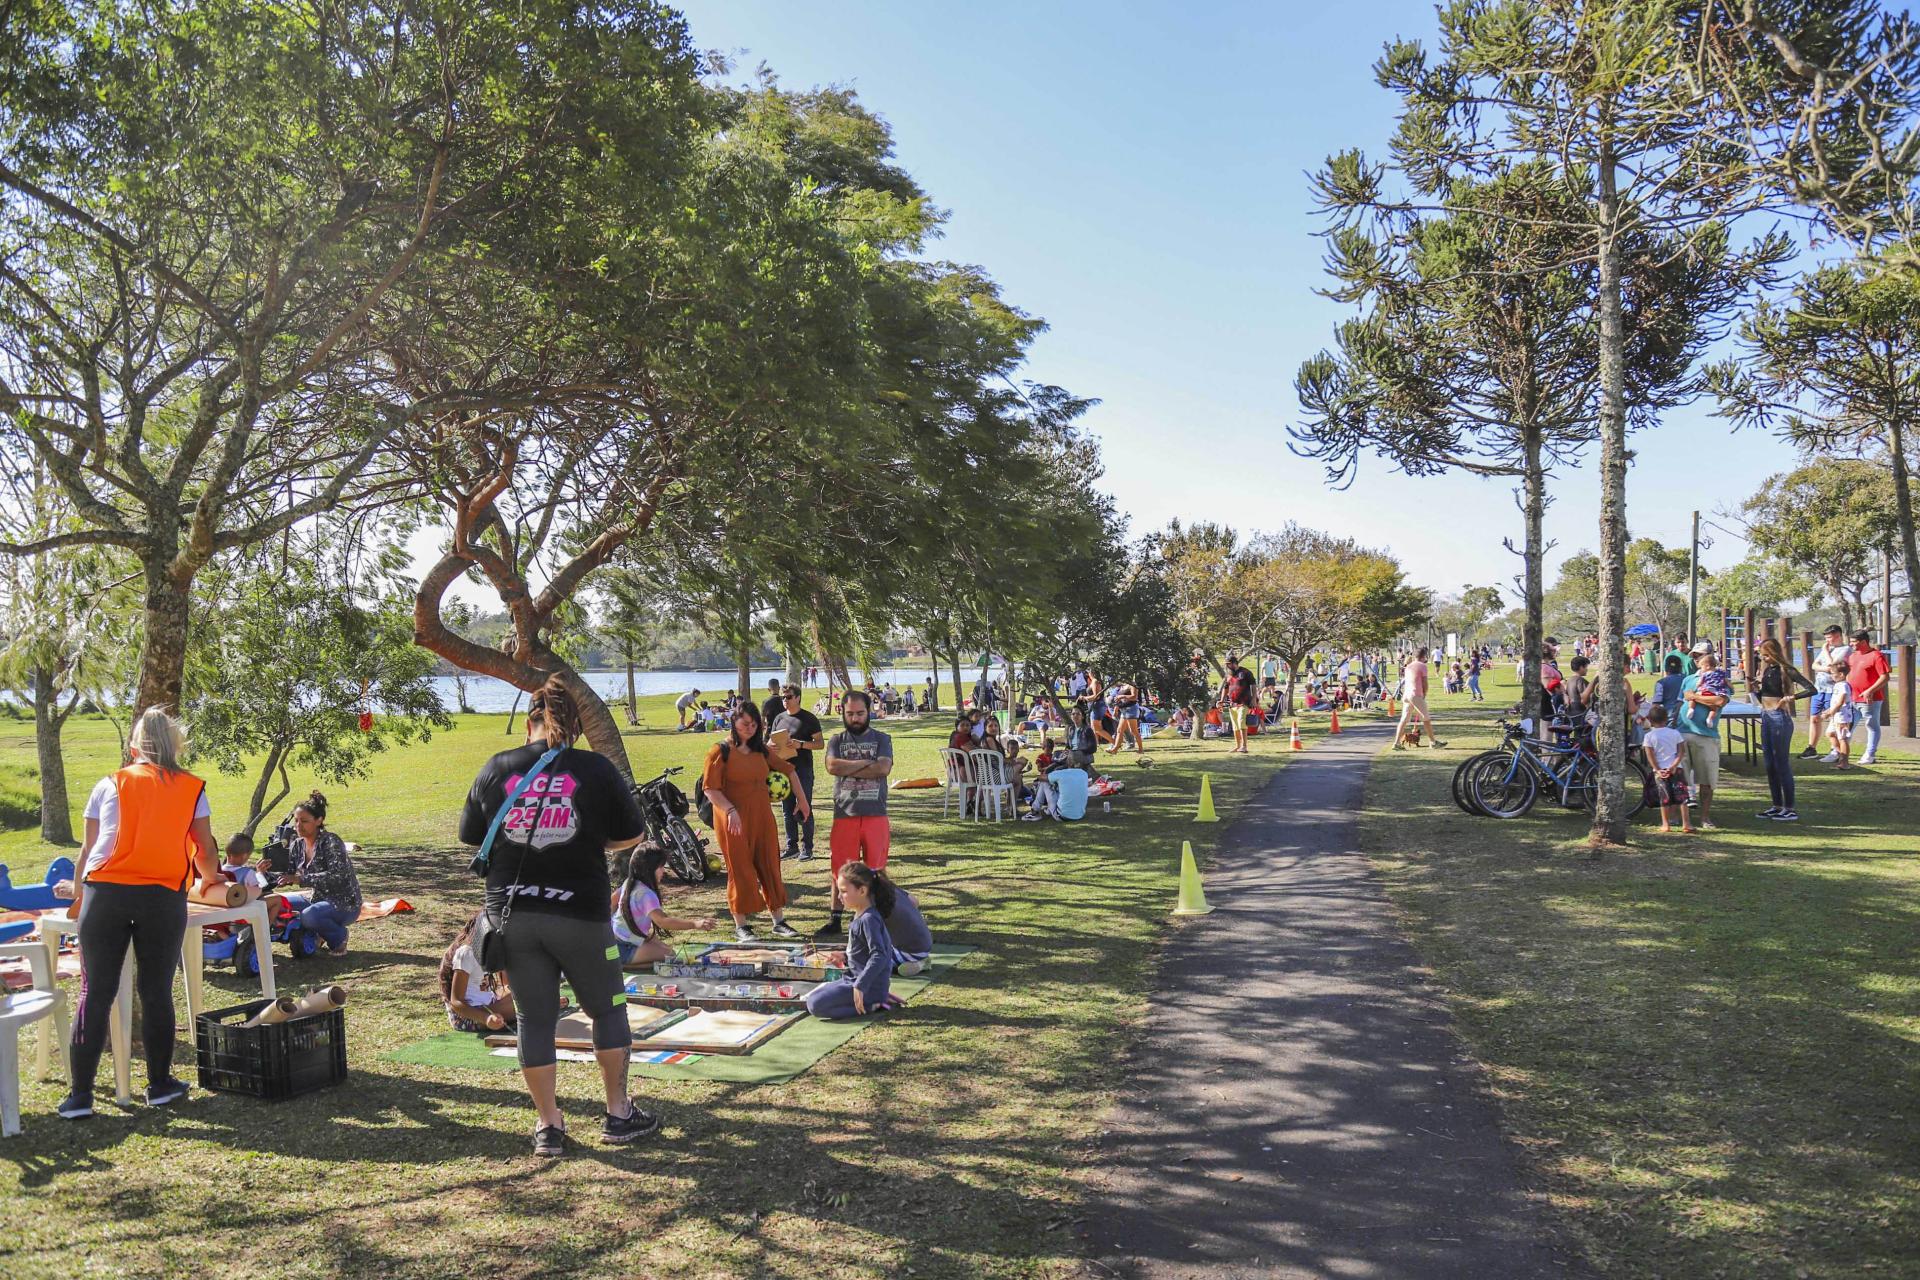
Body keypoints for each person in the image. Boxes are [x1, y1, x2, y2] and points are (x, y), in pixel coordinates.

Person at [460, 674, 658, 1155]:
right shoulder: (595, 768)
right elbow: (631, 833)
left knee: (534, 1018)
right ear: (574, 725)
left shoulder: (497, 766)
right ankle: (617, 1112)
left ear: (529, 720)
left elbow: (471, 836)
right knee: (608, 1009)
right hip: (580, 912)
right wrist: (591, 841)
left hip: (513, 915)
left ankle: (549, 1125)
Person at [58, 708, 221, 1120]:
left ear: (134, 748)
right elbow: (203, 848)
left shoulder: (109, 783)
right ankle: (160, 1085)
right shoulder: (192, 788)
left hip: (104, 893)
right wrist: (211, 880)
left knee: (95, 993)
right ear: (175, 746)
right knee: (156, 991)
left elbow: (89, 848)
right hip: (162, 896)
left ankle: (80, 1096)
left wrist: (79, 893)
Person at [703, 702, 808, 942]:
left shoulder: (762, 750)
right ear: (734, 722)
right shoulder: (720, 751)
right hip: (733, 820)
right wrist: (730, 810)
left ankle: (778, 921)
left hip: (762, 817)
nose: (749, 729)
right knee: (739, 867)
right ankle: (741, 925)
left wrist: (802, 800)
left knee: (770, 864)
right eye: (744, 724)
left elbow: (789, 771)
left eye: (754, 724)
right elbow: (711, 789)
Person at [822, 690, 893, 937]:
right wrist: (866, 763)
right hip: (845, 814)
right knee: (840, 870)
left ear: (869, 711)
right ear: (842, 712)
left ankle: (878, 918)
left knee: (877, 869)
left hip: (875, 813)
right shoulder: (836, 741)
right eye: (850, 713)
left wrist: (848, 768)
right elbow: (832, 766)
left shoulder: (882, 738)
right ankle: (835, 919)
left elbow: (883, 768)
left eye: (860, 713)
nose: (855, 718)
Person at [804, 863, 903, 1020]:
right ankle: (878, 997)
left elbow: (880, 955)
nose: (838, 897)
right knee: (813, 996)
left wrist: (861, 985)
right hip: (853, 980)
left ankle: (872, 1004)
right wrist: (845, 956)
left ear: (862, 891)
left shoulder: (869, 919)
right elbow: (863, 950)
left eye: (843, 892)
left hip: (864, 985)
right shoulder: (860, 915)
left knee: (814, 1005)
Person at [276, 791, 362, 956]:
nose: (298, 826)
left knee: (309, 915)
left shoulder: (331, 842)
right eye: (296, 821)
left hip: (345, 903)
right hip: (316, 900)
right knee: (279, 902)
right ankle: (310, 936)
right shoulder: (297, 845)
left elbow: (338, 876)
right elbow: (289, 873)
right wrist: (264, 873)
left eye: (304, 821)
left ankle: (339, 937)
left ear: (319, 820)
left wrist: (300, 879)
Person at [611, 844, 717, 967]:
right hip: (624, 948)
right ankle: (623, 964)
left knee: (664, 947)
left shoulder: (629, 883)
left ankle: (622, 959)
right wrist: (695, 924)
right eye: (661, 867)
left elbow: (611, 903)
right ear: (649, 869)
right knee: (670, 955)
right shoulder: (646, 894)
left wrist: (612, 927)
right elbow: (663, 921)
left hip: (614, 942)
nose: (664, 871)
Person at [1745, 636, 1815, 822]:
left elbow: (1811, 689)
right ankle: (1776, 805)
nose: (1763, 659)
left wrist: (1791, 698)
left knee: (1781, 763)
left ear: (1774, 654)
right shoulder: (1768, 670)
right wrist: (1756, 689)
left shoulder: (1787, 670)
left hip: (1779, 718)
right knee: (1769, 764)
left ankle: (1789, 807)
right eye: (1761, 656)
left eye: (1766, 655)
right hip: (1766, 716)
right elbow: (1765, 696)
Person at [441, 909, 519, 1035]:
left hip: (490, 1006)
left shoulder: (496, 950)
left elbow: (507, 986)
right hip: (468, 1017)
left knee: (527, 993)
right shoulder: (467, 953)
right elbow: (456, 1002)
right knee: (524, 1001)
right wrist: (486, 1018)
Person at [1675, 651, 1729, 829]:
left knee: (1707, 780)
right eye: (1696, 656)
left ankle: (1704, 818)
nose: (1698, 659)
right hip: (1682, 733)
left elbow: (1720, 700)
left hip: (1707, 736)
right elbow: (1682, 701)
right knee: (1680, 777)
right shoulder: (1688, 679)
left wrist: (1696, 697)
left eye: (1702, 656)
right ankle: (1680, 817)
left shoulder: (1720, 677)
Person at [772, 684, 825, 862]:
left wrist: (800, 744)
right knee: (787, 810)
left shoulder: (809, 719)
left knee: (804, 807)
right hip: (783, 769)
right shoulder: (778, 718)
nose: (785, 700)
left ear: (798, 698)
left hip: (802, 770)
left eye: (788, 697)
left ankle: (807, 848)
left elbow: (819, 744)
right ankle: (791, 846)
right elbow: (769, 741)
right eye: (783, 697)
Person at [1642, 705, 1692, 834]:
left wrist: (1657, 769)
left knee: (1664, 798)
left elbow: (1650, 755)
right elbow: (1681, 751)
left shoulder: (1649, 736)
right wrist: (1674, 765)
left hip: (1660, 771)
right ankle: (1686, 823)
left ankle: (1665, 823)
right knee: (1682, 797)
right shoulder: (1675, 733)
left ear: (1650, 720)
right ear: (1666, 719)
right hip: (1676, 769)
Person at [1847, 630, 1890, 765]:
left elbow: (1885, 677)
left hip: (1870, 700)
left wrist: (1870, 690)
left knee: (1871, 726)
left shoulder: (1876, 656)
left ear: (1864, 642)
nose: (1851, 644)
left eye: (1854, 642)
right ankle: (1840, 751)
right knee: (1847, 725)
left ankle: (1870, 754)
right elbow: (1849, 674)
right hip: (1852, 699)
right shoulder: (1853, 656)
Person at [1805, 625, 1847, 760]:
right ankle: (1811, 747)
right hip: (1819, 688)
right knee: (1814, 718)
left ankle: (1835, 749)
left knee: (1833, 718)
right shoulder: (1827, 649)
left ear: (1838, 636)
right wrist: (1825, 668)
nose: (1827, 641)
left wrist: (1826, 653)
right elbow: (1814, 665)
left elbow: (1833, 666)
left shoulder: (1845, 650)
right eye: (1826, 638)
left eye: (1830, 637)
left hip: (1832, 689)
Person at [1391, 647, 1445, 749]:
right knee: (1426, 719)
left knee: (1404, 719)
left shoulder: (1408, 666)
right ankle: (1433, 742)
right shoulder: (1422, 666)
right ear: (1424, 656)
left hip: (1407, 694)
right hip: (1416, 694)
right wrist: (1425, 693)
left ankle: (1396, 743)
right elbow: (1425, 682)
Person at [1824, 655, 1856, 769]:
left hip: (1842, 716)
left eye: (1833, 673)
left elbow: (1841, 702)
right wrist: (1829, 711)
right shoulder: (1838, 685)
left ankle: (1844, 762)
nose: (1831, 675)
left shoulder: (1843, 685)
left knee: (1842, 738)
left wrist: (1830, 712)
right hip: (1836, 715)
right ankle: (1840, 754)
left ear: (1841, 674)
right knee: (1830, 733)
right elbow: (1835, 702)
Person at [1220, 654, 1256, 754]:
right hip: (1232, 704)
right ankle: (1237, 746)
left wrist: (1253, 699)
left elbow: (1253, 685)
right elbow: (1225, 688)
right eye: (1226, 664)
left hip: (1244, 703)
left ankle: (1244, 746)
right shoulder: (1228, 675)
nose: (1227, 666)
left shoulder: (1245, 672)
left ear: (1234, 663)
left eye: (1229, 664)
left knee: (1241, 722)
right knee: (1235, 726)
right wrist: (1222, 700)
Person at [219, 832, 267, 898]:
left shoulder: (219, 870)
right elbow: (257, 892)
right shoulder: (248, 873)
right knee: (277, 899)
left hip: (225, 902)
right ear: (245, 856)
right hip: (243, 905)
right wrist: (260, 874)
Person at [1108, 678, 1145, 754]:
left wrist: (1122, 696)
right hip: (1123, 710)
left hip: (1131, 709)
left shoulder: (1132, 684)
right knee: (1119, 730)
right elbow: (1119, 698)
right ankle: (1115, 749)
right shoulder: (1122, 686)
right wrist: (1117, 707)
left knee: (1133, 731)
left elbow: (1134, 697)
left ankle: (1141, 750)